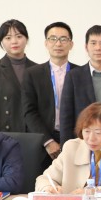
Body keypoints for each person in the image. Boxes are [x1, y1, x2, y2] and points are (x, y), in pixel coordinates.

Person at [22, 21, 78, 170]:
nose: (58, 43)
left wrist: (73, 142)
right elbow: (29, 111)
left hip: (75, 141)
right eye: (53, 39)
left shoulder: (80, 73)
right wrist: (48, 141)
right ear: (46, 43)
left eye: (63, 39)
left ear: (71, 44)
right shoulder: (32, 74)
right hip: (43, 143)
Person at [0, 19, 36, 133]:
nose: (14, 41)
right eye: (8, 38)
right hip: (4, 136)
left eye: (19, 36)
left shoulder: (37, 69)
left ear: (26, 39)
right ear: (1, 42)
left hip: (33, 134)